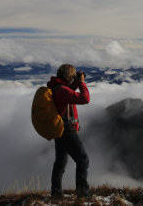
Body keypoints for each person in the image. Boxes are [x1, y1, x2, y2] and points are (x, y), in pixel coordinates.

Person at [47, 64, 91, 198]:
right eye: (73, 75)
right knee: (83, 160)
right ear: (68, 75)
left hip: (60, 129)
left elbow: (68, 91)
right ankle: (83, 195)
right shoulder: (61, 90)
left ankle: (56, 193)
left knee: (60, 162)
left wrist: (76, 83)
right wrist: (82, 83)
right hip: (67, 130)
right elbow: (85, 99)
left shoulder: (57, 87)